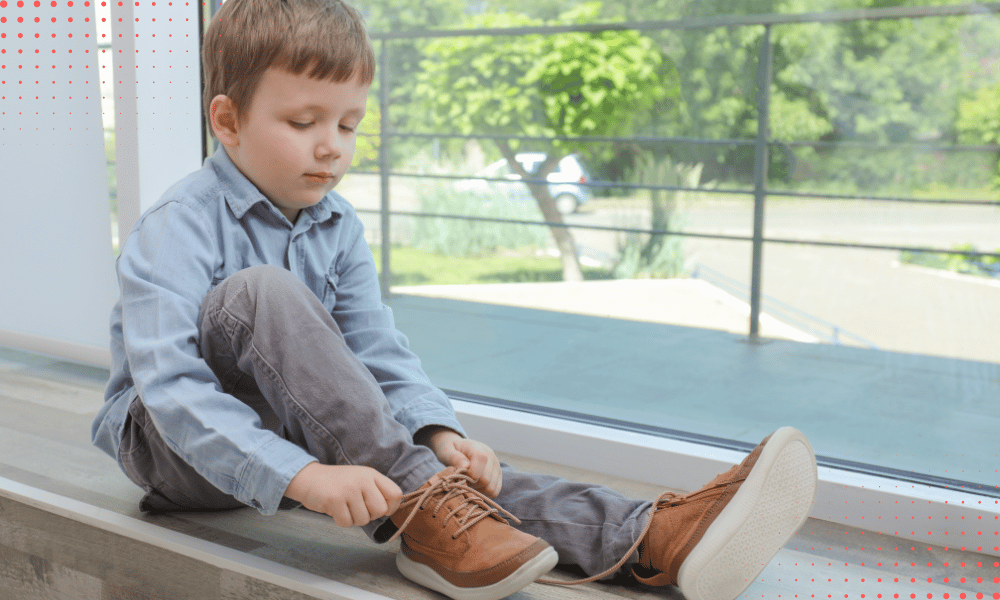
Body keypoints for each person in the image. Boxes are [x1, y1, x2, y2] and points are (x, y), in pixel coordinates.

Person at [91, 0, 819, 599]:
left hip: (291, 430)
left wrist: (438, 434)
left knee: (453, 480)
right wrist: (303, 476)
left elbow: (376, 351)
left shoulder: (338, 226)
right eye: (303, 123)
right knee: (261, 294)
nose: (332, 148)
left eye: (348, 125)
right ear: (227, 121)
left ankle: (646, 537)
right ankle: (430, 516)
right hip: (174, 454)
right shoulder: (176, 226)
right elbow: (173, 392)